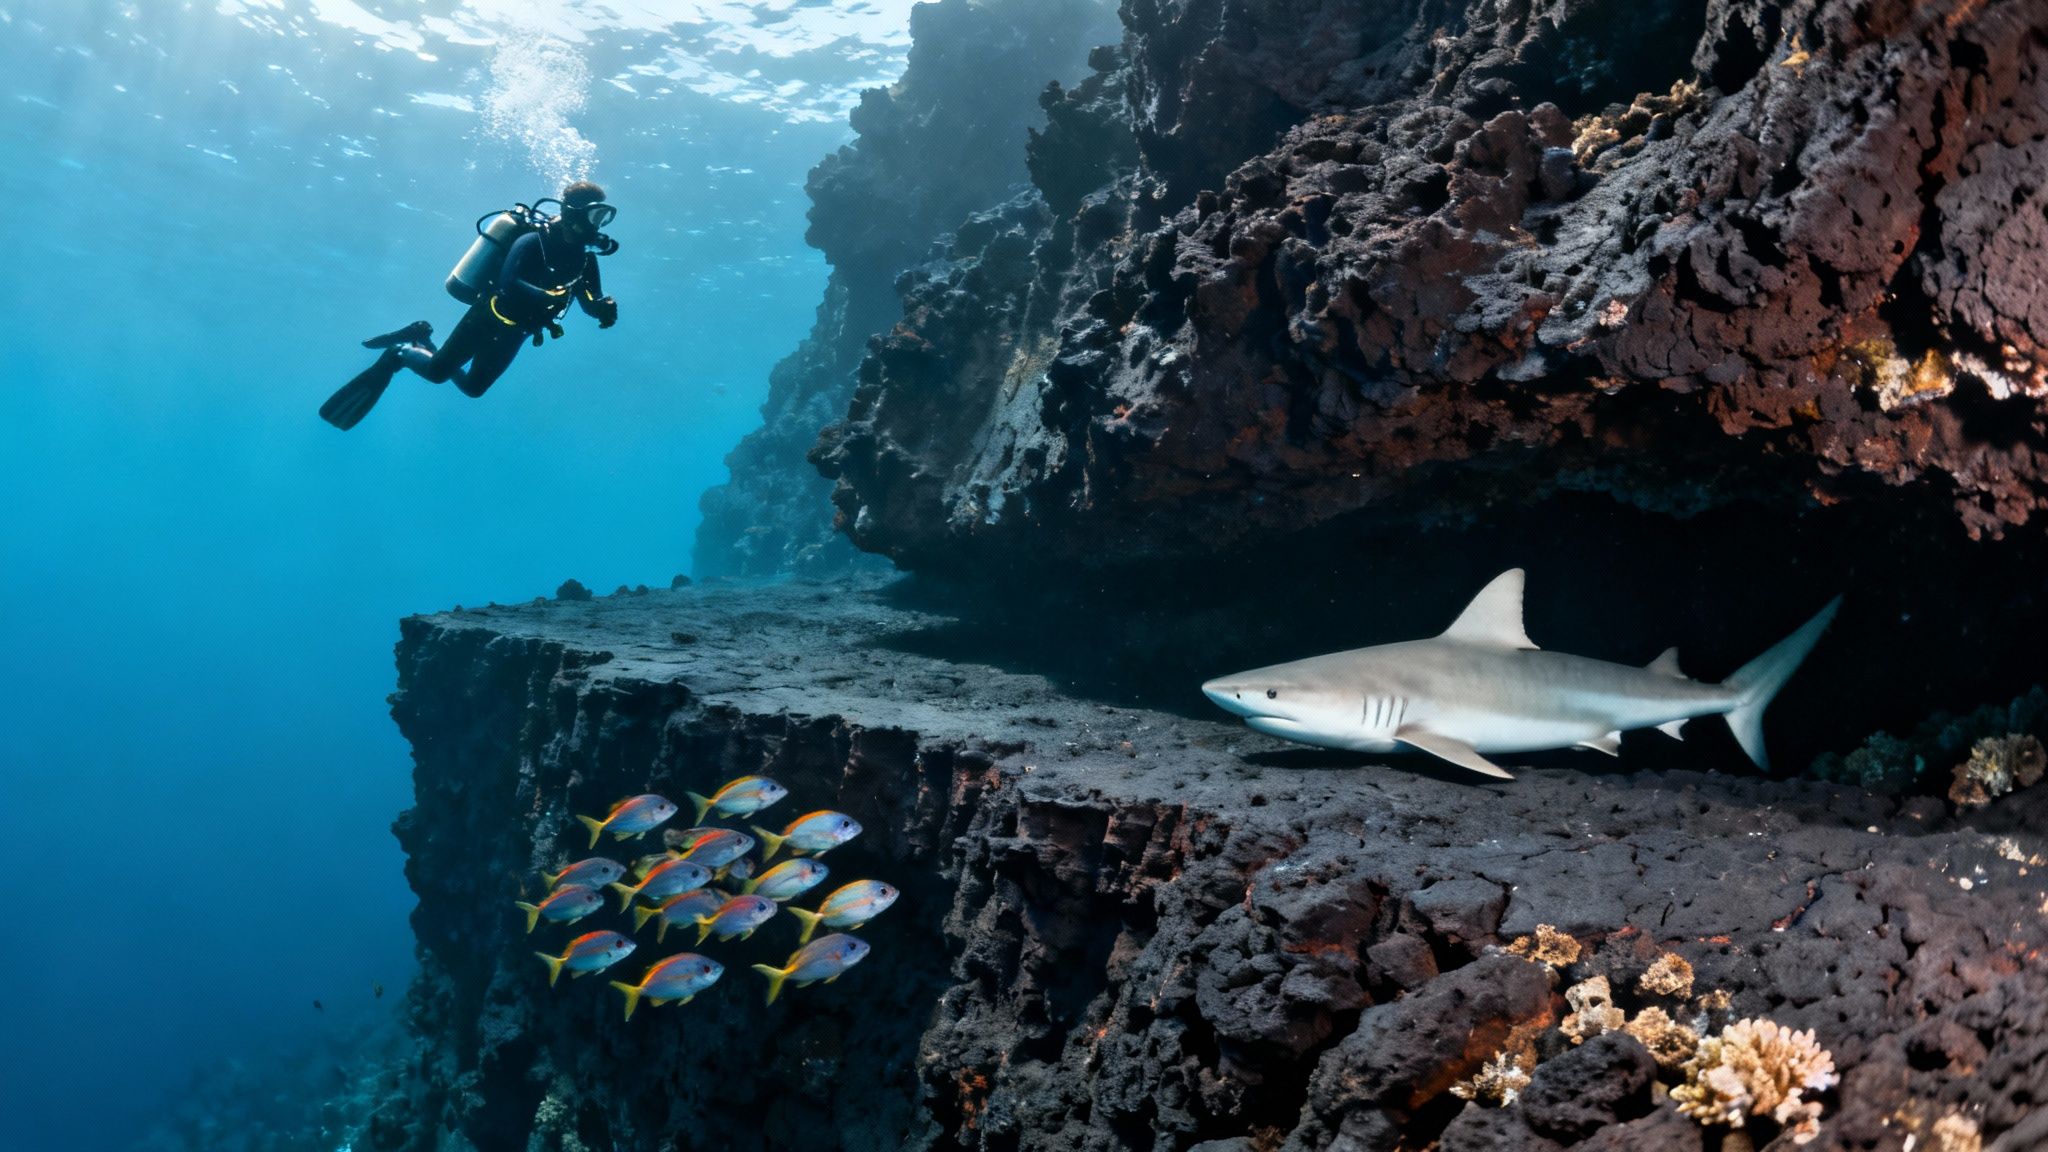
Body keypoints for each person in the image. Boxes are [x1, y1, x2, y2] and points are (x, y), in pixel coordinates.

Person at [320, 181, 620, 430]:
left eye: (603, 218)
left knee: (474, 389)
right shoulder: (533, 241)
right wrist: (544, 297)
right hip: (487, 317)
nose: (598, 226)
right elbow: (508, 283)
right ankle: (399, 352)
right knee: (437, 374)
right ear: (572, 213)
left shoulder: (584, 258)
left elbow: (589, 300)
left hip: (518, 332)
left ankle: (422, 336)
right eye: (594, 216)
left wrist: (603, 308)